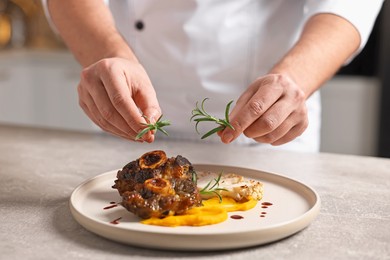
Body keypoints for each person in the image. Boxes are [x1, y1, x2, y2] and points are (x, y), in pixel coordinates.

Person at [42, 0, 383, 152]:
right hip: (127, 127)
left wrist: (295, 77)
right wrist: (109, 56)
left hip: (264, 136)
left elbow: (349, 5)